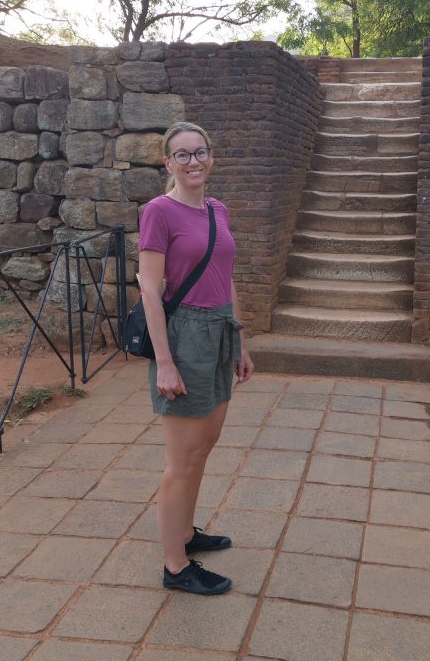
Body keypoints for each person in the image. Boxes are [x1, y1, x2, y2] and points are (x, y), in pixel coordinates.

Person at [137, 121, 254, 596]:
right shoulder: (158, 212)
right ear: (168, 163)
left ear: (211, 157)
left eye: (199, 152)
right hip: (184, 336)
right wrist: (165, 361)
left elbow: (227, 278)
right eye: (181, 155)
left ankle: (185, 533)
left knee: (203, 448)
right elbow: (150, 287)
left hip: (221, 331)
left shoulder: (217, 210)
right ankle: (174, 565)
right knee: (181, 460)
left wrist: (241, 343)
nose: (192, 162)